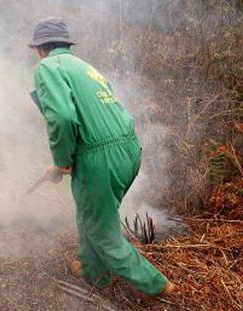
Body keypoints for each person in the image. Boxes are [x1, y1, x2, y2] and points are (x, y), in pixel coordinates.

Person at [28, 17, 175, 297]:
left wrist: (61, 161)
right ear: (65, 44)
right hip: (128, 150)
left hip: (101, 158)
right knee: (91, 214)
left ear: (40, 49)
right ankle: (93, 272)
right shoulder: (84, 67)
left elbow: (61, 117)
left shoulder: (47, 66)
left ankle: (157, 285)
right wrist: (70, 161)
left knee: (102, 233)